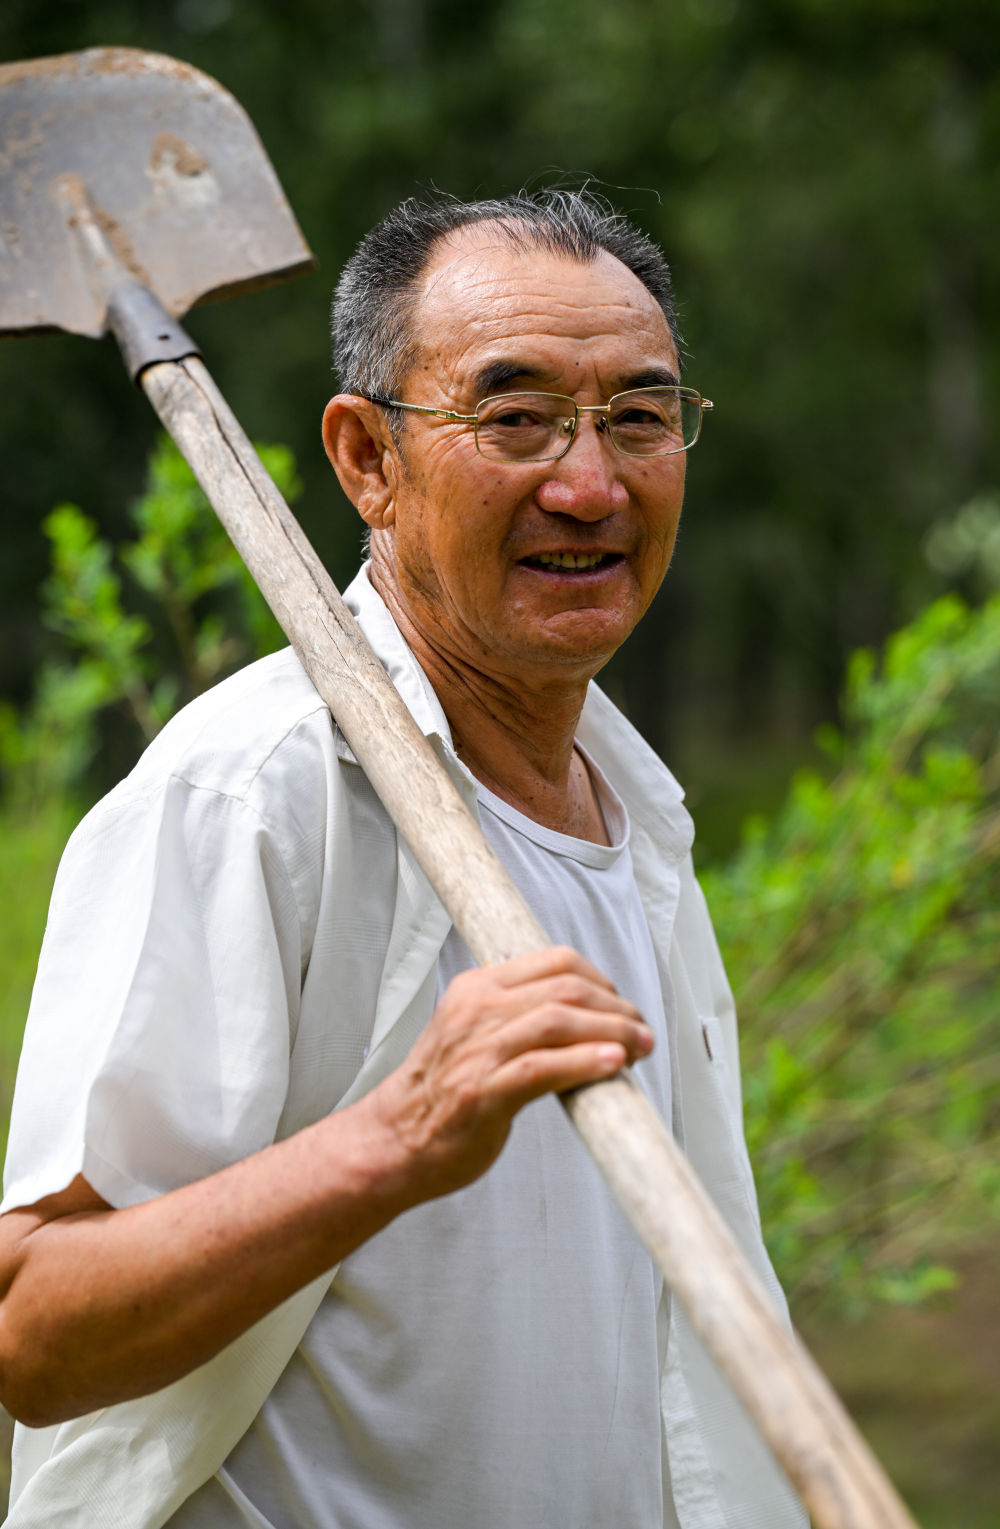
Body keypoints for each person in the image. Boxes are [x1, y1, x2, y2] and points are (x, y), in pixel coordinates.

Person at [0, 190, 806, 1528]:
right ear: (368, 458)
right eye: (515, 417)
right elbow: (33, 1326)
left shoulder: (639, 817)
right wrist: (398, 1134)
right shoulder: (253, 795)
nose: (590, 485)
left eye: (638, 416)